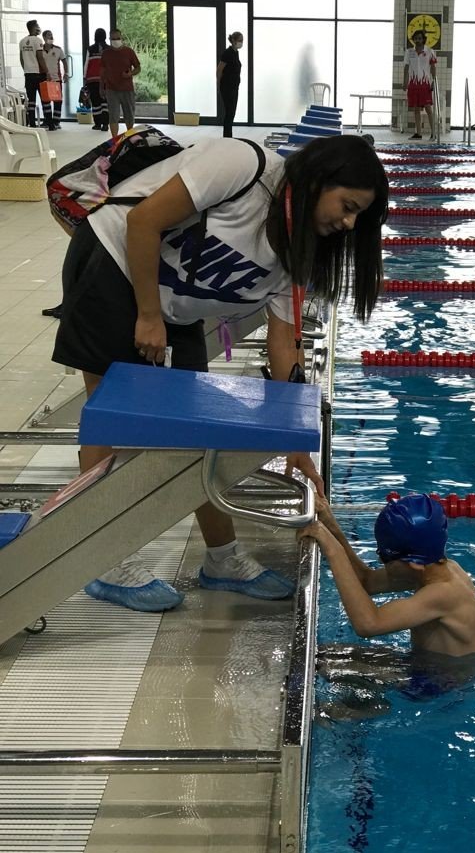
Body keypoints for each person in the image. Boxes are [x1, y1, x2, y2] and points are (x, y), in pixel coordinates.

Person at [51, 134, 389, 613]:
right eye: (348, 205)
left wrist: (294, 441)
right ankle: (106, 559)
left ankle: (222, 560)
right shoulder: (242, 167)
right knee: (111, 417)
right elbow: (142, 220)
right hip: (114, 263)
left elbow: (283, 343)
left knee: (199, 434)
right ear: (318, 181)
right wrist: (148, 315)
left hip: (173, 308)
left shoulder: (301, 250)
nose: (349, 223)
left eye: (359, 217)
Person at [299, 494, 475, 713]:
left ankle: (368, 710)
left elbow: (367, 625)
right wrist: (330, 524)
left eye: (385, 557)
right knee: (321, 654)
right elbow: (366, 582)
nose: (380, 561)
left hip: (439, 683)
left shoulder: (445, 592)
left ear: (414, 565)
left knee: (329, 688)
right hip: (420, 664)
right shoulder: (434, 567)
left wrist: (332, 550)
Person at [100, 28, 140, 138]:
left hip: (127, 89)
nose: (116, 40)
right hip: (111, 89)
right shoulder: (106, 54)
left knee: (129, 115)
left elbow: (138, 67)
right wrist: (101, 87)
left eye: (117, 38)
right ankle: (114, 139)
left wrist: (130, 74)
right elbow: (102, 71)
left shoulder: (129, 52)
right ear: (109, 39)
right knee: (113, 115)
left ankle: (130, 136)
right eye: (113, 39)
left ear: (121, 38)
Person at [403, 29, 437, 141]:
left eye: (420, 38)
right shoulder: (409, 52)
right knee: (416, 109)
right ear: (413, 40)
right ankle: (418, 133)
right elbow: (406, 68)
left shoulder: (430, 51)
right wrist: (405, 82)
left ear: (423, 39)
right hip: (413, 84)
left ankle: (433, 133)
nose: (418, 40)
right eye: (416, 38)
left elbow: (433, 67)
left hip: (425, 84)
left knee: (428, 108)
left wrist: (434, 80)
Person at [19, 18, 46, 128]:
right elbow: (40, 57)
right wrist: (47, 71)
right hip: (38, 74)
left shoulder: (22, 41)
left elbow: (21, 59)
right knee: (45, 98)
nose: (39, 28)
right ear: (34, 28)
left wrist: (26, 69)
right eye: (37, 26)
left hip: (28, 74)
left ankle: (32, 123)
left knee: (31, 100)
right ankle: (49, 123)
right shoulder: (38, 40)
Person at [40, 30, 68, 131]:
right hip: (44, 79)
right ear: (43, 37)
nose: (51, 37)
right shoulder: (40, 50)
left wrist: (66, 73)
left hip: (56, 79)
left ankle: (56, 121)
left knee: (58, 101)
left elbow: (64, 61)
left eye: (52, 35)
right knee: (45, 101)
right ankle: (48, 121)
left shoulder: (58, 49)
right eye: (48, 36)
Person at [216, 32, 243, 138]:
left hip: (234, 86)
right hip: (227, 87)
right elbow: (219, 70)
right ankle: (227, 136)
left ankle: (229, 135)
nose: (241, 43)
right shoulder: (227, 53)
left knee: (232, 112)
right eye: (240, 40)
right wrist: (219, 84)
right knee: (229, 112)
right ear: (234, 41)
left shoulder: (236, 52)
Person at [84, 28, 109, 131]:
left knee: (95, 103)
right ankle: (105, 124)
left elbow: (86, 64)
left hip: (92, 79)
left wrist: (84, 77)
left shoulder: (90, 49)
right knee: (105, 102)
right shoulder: (109, 49)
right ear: (105, 36)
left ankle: (97, 124)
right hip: (106, 79)